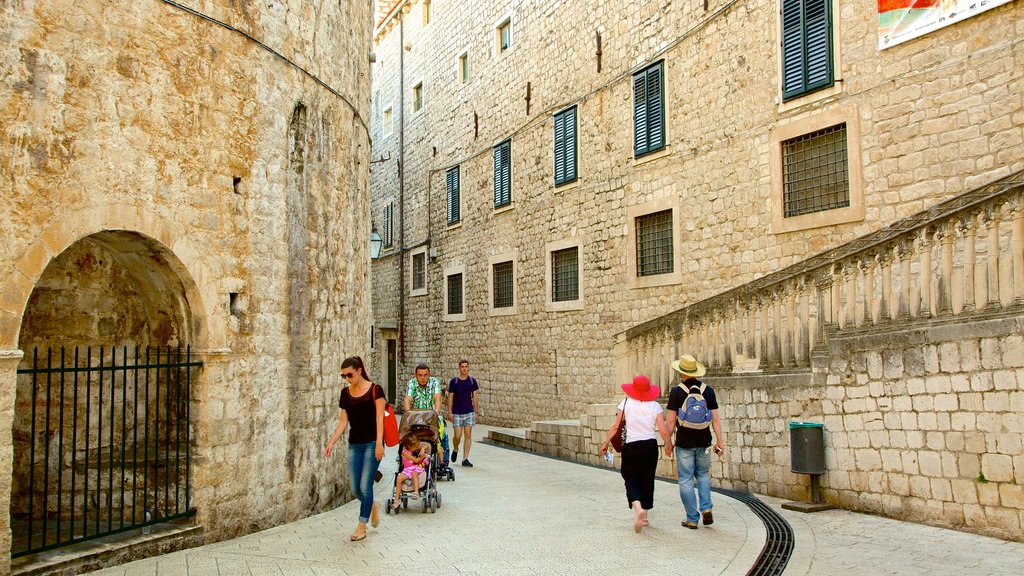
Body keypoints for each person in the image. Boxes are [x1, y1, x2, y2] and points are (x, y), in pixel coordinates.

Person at [599, 375, 671, 533]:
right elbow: (664, 430)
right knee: (647, 478)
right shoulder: (655, 406)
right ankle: (645, 517)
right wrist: (668, 445)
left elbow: (615, 427)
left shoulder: (625, 404)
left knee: (631, 478)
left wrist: (605, 443)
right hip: (650, 446)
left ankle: (638, 508)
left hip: (632, 447)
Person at [325, 356, 385, 541]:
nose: (347, 378)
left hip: (372, 443)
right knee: (354, 487)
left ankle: (361, 526)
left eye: (349, 374)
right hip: (355, 444)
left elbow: (380, 419)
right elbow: (343, 421)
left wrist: (378, 443)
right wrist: (332, 441)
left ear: (359, 371)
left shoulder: (375, 390)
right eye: (344, 376)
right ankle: (373, 505)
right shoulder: (345, 394)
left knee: (365, 485)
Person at [665, 354, 725, 529]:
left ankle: (692, 518)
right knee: (703, 475)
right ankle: (706, 508)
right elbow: (715, 420)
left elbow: (670, 421)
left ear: (680, 372)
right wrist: (720, 442)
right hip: (704, 441)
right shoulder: (708, 390)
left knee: (685, 479)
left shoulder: (676, 392)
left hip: (684, 442)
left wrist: (668, 443)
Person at [447, 359, 480, 467]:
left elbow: (475, 396)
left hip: (469, 412)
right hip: (457, 412)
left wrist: (476, 411)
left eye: (466, 366)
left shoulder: (472, 381)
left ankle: (465, 458)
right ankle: (456, 448)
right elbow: (450, 397)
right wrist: (450, 412)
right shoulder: (454, 382)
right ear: (459, 368)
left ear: (468, 367)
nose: (464, 368)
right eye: (462, 366)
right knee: (457, 436)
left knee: (468, 435)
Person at [391, 435, 429, 509]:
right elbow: (416, 461)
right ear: (408, 446)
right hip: (407, 469)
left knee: (414, 474)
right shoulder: (405, 453)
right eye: (415, 447)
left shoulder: (412, 448)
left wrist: (423, 449)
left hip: (415, 468)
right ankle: (396, 499)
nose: (416, 448)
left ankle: (416, 492)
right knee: (399, 478)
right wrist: (423, 456)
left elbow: (427, 444)